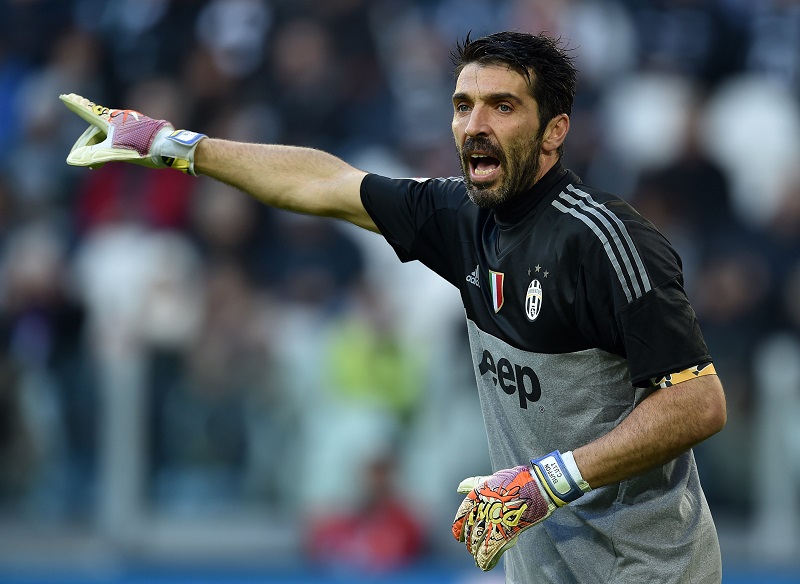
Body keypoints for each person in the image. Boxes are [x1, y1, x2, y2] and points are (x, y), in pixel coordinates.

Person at [60, 30, 727, 584]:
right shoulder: (460, 219)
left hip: (648, 572)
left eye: (502, 107)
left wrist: (549, 481)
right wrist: (174, 145)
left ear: (554, 132)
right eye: (463, 105)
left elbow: (699, 401)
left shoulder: (605, 241)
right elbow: (325, 183)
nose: (475, 126)